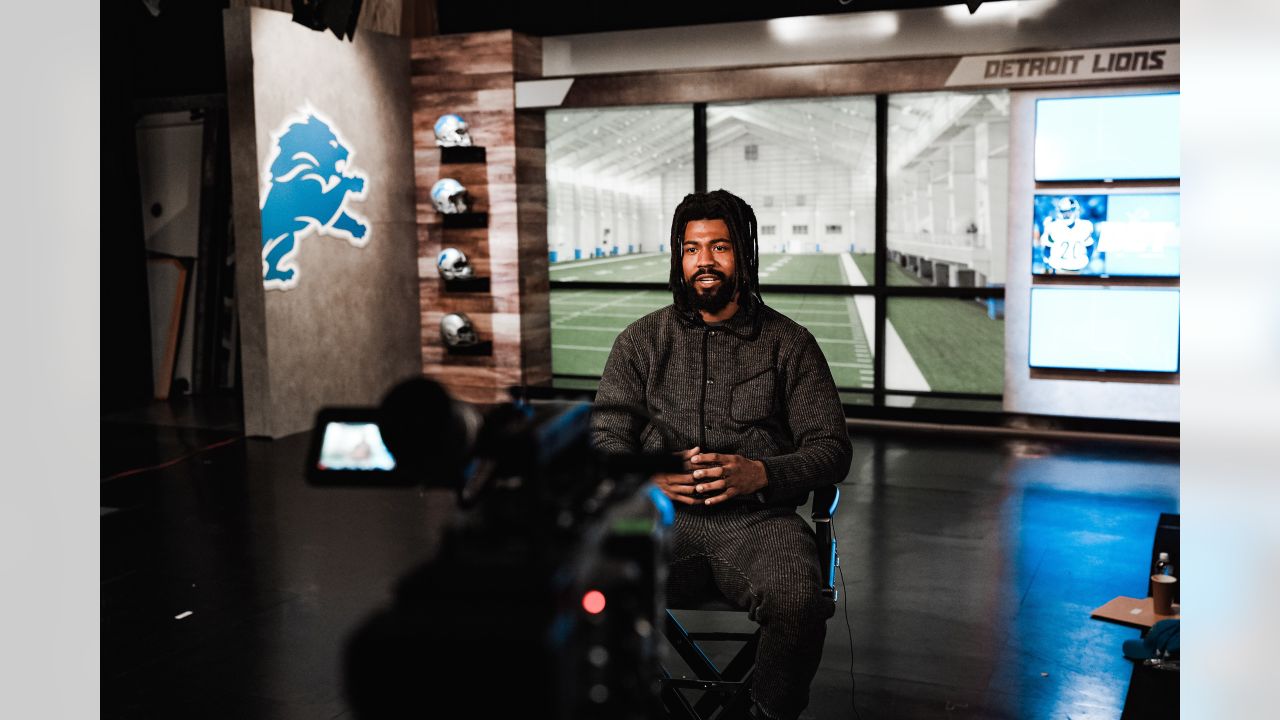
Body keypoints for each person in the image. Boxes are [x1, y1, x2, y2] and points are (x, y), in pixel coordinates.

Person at [591, 189, 852, 720]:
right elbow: (604, 438)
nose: (703, 262)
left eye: (719, 247)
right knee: (580, 575)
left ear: (744, 255)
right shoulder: (640, 342)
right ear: (677, 257)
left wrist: (761, 473)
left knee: (799, 601)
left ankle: (763, 714)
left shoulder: (789, 344)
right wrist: (648, 479)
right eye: (691, 249)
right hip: (658, 522)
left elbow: (831, 450)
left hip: (758, 527)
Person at [1040, 195, 1095, 273]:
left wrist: (1086, 260)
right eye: (1063, 211)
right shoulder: (1053, 226)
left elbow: (1089, 247)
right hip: (1058, 268)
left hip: (1078, 268)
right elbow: (1047, 248)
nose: (1066, 215)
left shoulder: (1084, 226)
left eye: (1069, 211)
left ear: (1076, 211)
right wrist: (1048, 263)